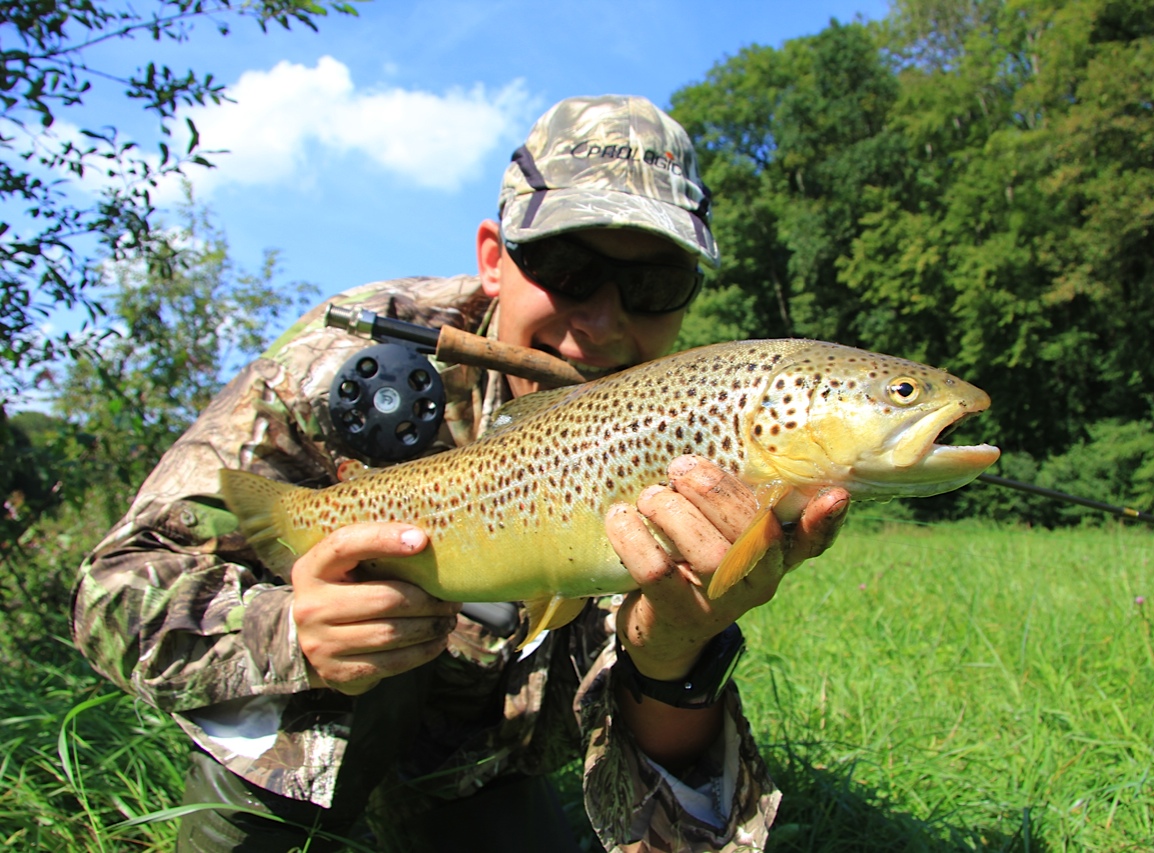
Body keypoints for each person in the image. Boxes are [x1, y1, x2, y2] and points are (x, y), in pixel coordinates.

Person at [72, 94, 850, 852]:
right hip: (309, 717)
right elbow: (111, 587)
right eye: (567, 266)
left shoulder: (686, 427)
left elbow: (678, 822)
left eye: (652, 287)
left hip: (474, 761)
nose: (603, 320)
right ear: (493, 257)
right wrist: (289, 632)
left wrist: (675, 647)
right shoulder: (339, 361)